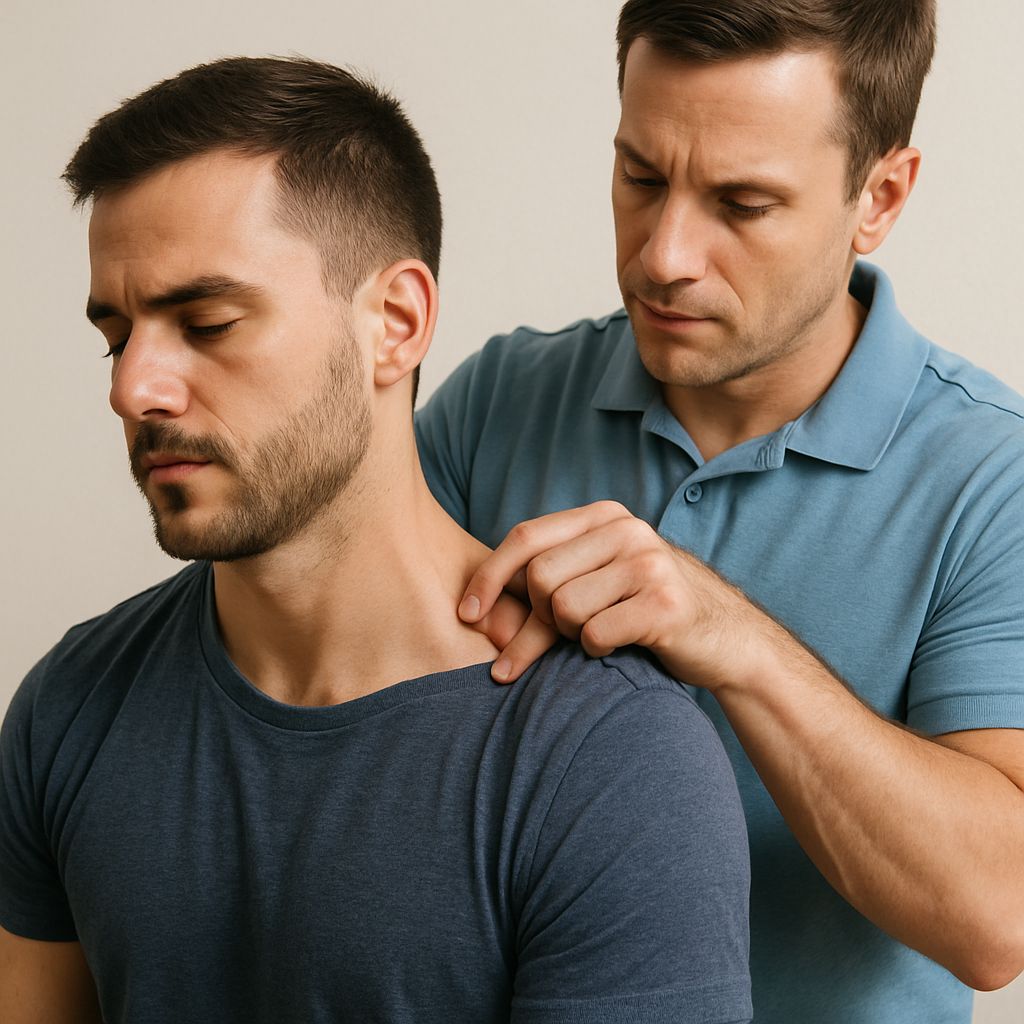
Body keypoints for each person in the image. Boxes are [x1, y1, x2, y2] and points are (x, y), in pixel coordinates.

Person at [0, 56, 753, 1024]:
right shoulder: (72, 703)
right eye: (118, 333)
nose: (133, 387)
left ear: (394, 323)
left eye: (207, 321)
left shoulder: (607, 758)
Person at [415, 2, 1024, 1022]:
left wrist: (728, 635)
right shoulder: (494, 404)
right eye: (641, 178)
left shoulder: (992, 476)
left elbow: (995, 915)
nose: (664, 255)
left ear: (878, 195)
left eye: (740, 204)